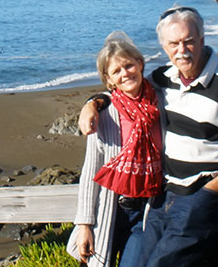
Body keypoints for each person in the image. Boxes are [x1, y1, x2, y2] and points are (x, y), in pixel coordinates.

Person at [78, 6, 218, 267]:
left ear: (202, 39)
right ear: (164, 47)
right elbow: (126, 92)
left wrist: (209, 191)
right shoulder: (164, 79)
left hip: (205, 199)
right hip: (164, 196)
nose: (182, 50)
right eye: (173, 43)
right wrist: (93, 103)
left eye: (189, 41)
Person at [67, 31, 163, 267]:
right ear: (109, 80)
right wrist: (85, 225)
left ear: (140, 64)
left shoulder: (162, 102)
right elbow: (91, 173)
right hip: (110, 209)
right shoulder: (104, 115)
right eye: (116, 71)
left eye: (129, 65)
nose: (125, 74)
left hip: (147, 213)